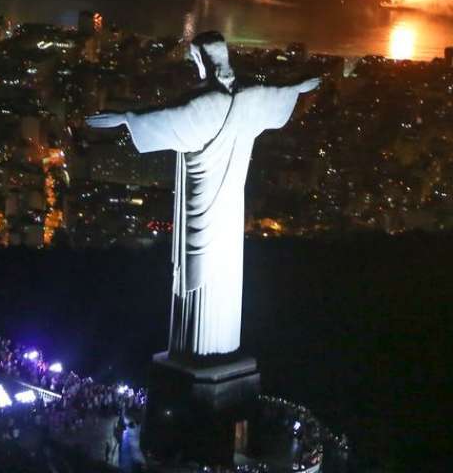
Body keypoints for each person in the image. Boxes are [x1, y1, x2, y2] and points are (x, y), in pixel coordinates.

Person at [87, 31, 319, 356]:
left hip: (202, 199)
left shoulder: (205, 103)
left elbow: (166, 118)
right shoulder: (251, 93)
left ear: (201, 60)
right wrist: (300, 87)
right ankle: (215, 349)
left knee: (198, 269)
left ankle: (197, 352)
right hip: (231, 204)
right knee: (224, 269)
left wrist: (126, 118)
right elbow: (280, 92)